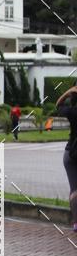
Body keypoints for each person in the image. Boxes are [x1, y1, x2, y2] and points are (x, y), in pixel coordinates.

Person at [55, 85, 77, 231]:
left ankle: (76, 222)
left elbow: (58, 105)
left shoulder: (72, 111)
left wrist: (68, 92)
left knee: (74, 189)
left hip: (71, 152)